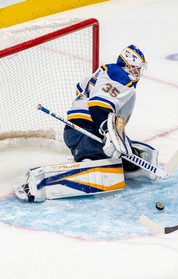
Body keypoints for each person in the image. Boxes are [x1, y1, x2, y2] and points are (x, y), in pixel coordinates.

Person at [13, 44, 159, 202]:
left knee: (122, 155)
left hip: (78, 128)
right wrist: (107, 131)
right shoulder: (119, 77)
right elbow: (97, 105)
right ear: (125, 65)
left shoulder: (106, 71)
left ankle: (123, 160)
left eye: (139, 69)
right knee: (98, 160)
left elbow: (80, 88)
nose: (137, 73)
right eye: (135, 68)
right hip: (85, 130)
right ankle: (39, 183)